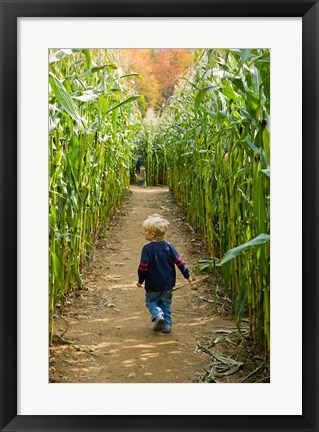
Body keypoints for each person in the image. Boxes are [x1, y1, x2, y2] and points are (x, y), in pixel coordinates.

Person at [137, 215, 192, 333]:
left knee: (151, 301)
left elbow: (143, 267)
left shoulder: (147, 249)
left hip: (152, 284)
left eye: (145, 231)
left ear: (152, 234)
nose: (144, 233)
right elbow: (180, 262)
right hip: (168, 283)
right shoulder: (169, 247)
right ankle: (167, 326)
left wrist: (140, 281)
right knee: (166, 303)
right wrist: (187, 276)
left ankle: (158, 315)